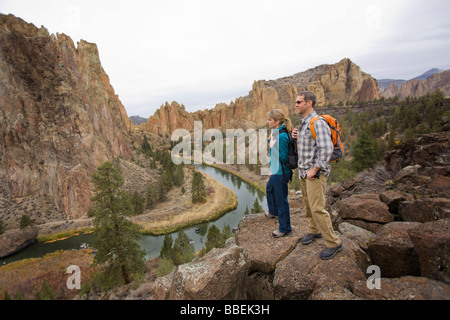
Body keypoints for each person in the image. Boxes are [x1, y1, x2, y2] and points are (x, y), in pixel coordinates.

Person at [291, 91, 343, 259]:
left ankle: (334, 242)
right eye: (296, 102)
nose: (296, 105)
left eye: (299, 102)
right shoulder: (304, 123)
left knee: (317, 208)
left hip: (315, 173)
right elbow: (309, 146)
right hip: (304, 173)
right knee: (308, 205)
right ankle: (313, 231)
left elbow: (326, 149)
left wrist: (315, 169)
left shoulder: (317, 122)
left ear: (309, 103)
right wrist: (296, 137)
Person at [265, 109, 293, 238]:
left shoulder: (281, 136)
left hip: (281, 173)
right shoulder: (277, 132)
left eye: (270, 120)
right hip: (277, 171)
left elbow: (283, 157)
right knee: (269, 189)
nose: (267, 122)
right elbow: (272, 143)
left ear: (277, 121)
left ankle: (285, 228)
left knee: (282, 200)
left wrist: (272, 147)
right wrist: (269, 141)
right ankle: (273, 211)